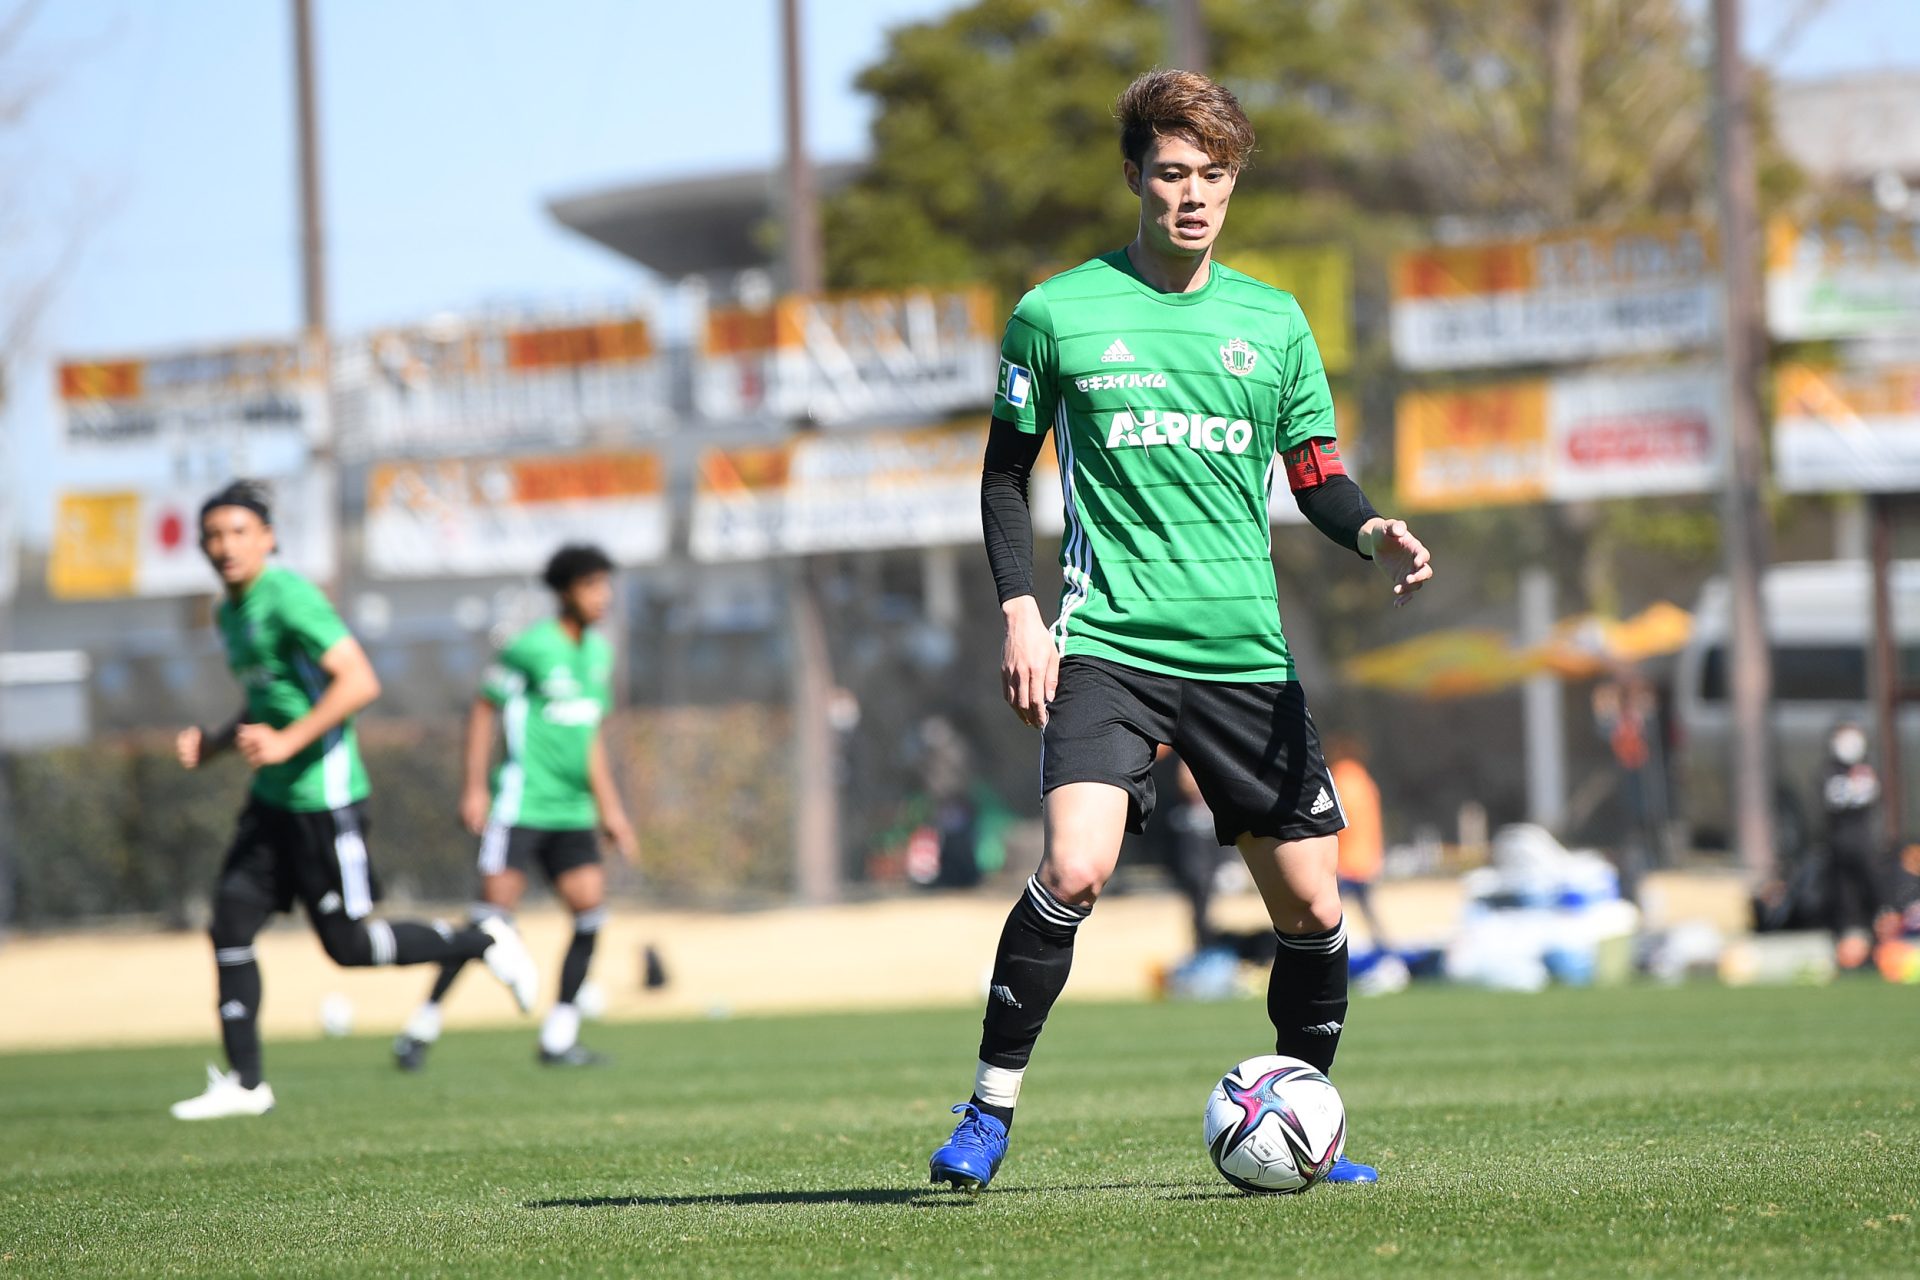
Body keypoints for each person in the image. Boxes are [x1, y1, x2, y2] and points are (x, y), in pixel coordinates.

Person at [928, 69, 1432, 1192]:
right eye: (1171, 172)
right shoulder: (1057, 312)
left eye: (1213, 175)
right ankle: (988, 1110)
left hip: (1244, 658)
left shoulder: (1274, 320)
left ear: (1233, 180)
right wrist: (1022, 610)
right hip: (1109, 643)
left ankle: (1307, 1123)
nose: (1192, 195)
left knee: (1312, 903)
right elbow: (1006, 478)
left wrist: (1372, 529)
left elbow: (1317, 476)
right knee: (1076, 863)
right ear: (1134, 176)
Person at [170, 480, 538, 1120]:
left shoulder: (288, 597)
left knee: (348, 946)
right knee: (230, 922)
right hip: (272, 802)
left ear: (268, 539)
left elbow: (359, 680)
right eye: (213, 535)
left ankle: (481, 940)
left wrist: (287, 743)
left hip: (325, 798)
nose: (224, 546)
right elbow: (270, 705)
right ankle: (247, 1083)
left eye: (237, 532)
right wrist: (218, 743)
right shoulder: (229, 612)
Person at [393, 544, 638, 1069]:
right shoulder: (531, 648)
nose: (604, 596)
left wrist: (610, 810)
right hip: (521, 805)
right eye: (592, 585)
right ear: (566, 591)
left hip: (572, 813)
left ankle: (558, 1037)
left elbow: (589, 736)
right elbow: (484, 711)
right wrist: (475, 787)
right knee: (489, 923)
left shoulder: (599, 655)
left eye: (606, 584)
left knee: (591, 914)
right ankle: (421, 1026)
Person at [1820, 719, 1882, 970]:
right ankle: (1846, 952)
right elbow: (1833, 801)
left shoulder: (1867, 768)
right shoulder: (1828, 771)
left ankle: (1875, 948)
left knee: (1872, 895)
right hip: (1839, 844)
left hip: (1865, 845)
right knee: (1844, 899)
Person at [1326, 736, 1387, 949]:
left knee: (1327, 912)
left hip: (1345, 860)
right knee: (1367, 909)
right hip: (1366, 859)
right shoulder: (1366, 782)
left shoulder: (1341, 780)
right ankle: (1383, 946)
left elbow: (1337, 821)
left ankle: (1330, 951)